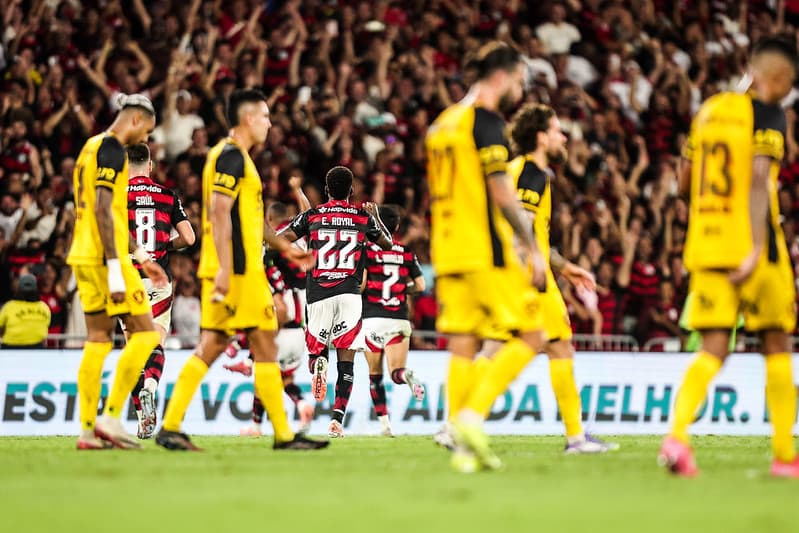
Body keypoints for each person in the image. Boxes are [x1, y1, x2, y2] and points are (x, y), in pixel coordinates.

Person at [155, 89, 327, 451]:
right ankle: (282, 436)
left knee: (222, 345)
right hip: (236, 273)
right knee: (256, 343)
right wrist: (224, 270)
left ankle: (172, 426)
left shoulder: (241, 160)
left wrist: (285, 248)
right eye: (265, 116)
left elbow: (250, 222)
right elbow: (218, 212)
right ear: (249, 118)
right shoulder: (231, 157)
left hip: (241, 270)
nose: (269, 123)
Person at [659, 37, 799, 478]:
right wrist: (756, 246)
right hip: (754, 247)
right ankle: (784, 456)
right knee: (775, 342)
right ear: (775, 77)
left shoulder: (709, 112)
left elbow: (682, 181)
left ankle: (677, 438)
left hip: (706, 244)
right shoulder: (766, 113)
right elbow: (760, 179)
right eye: (788, 83)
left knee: (714, 347)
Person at [425, 41, 548, 472]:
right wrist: (532, 247)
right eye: (519, 79)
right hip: (484, 249)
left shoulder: (442, 123)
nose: (520, 87)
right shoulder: (485, 122)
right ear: (504, 75)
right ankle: (471, 416)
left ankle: (462, 451)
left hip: (447, 247)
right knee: (533, 335)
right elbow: (500, 191)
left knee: (462, 345)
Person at [506, 103, 618, 454]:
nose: (563, 136)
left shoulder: (516, 170)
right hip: (530, 276)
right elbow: (521, 227)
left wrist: (563, 265)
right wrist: (535, 267)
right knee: (547, 346)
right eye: (556, 130)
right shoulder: (532, 174)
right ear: (541, 137)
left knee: (546, 346)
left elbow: (530, 230)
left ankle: (576, 437)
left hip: (524, 271)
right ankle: (575, 438)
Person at [66, 93, 168, 450]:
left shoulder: (89, 148)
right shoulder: (112, 150)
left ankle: (87, 431)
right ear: (136, 119)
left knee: (97, 339)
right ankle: (111, 416)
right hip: (104, 257)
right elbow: (103, 209)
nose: (144, 141)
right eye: (146, 132)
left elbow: (99, 210)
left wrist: (140, 252)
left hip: (82, 253)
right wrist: (115, 267)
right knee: (146, 334)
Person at [280, 165, 393, 438]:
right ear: (351, 191)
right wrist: (375, 217)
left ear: (327, 190)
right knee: (347, 361)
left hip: (318, 292)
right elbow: (387, 244)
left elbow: (282, 239)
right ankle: (336, 421)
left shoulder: (314, 215)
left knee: (317, 350)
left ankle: (319, 361)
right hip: (349, 294)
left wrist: (301, 252)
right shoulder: (360, 217)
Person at [226, 184, 316, 436]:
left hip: (284, 327)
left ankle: (257, 424)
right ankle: (302, 404)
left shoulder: (268, 256)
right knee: (285, 380)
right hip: (302, 329)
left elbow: (280, 307)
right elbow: (308, 218)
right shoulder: (297, 243)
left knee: (263, 376)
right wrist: (299, 191)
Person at [124, 142, 195, 439]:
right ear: (150, 166)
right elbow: (189, 238)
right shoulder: (167, 195)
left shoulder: (117, 196)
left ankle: (142, 416)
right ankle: (152, 388)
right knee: (156, 341)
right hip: (159, 280)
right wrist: (165, 245)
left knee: (132, 349)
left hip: (128, 278)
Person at [359, 204, 426, 437]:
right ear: (396, 226)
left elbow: (363, 285)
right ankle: (406, 375)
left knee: (375, 376)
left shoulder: (366, 251)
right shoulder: (406, 252)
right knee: (396, 372)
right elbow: (420, 286)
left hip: (372, 320)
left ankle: (385, 426)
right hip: (398, 319)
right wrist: (400, 289)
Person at [0, 274, 50, 348]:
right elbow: (45, 327)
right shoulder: (44, 307)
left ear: (19, 289)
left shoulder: (9, 307)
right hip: (37, 349)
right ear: (36, 289)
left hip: (11, 349)